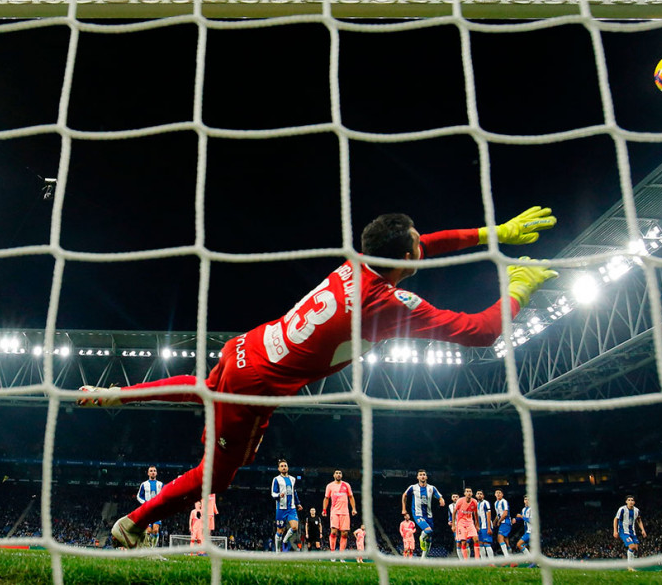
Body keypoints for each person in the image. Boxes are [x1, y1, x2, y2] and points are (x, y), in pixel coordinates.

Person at [77, 207, 557, 549]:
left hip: (248, 345)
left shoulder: (358, 263)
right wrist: (517, 288)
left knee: (205, 390)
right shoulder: (387, 304)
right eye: (417, 244)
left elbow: (427, 244)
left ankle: (118, 394)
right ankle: (132, 524)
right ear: (406, 258)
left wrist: (493, 232)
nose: (423, 246)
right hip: (257, 385)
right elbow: (481, 331)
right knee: (215, 477)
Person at [401, 469, 445, 558]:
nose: (422, 476)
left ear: (426, 477)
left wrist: (441, 500)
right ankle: (421, 537)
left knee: (429, 539)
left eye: (424, 474)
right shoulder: (413, 487)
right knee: (428, 530)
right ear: (417, 477)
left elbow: (439, 496)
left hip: (429, 515)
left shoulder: (431, 488)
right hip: (418, 514)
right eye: (420, 475)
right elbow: (404, 495)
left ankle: (423, 559)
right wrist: (404, 509)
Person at [323, 469, 357, 554]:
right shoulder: (330, 486)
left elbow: (351, 497)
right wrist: (324, 510)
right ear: (334, 475)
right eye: (336, 473)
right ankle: (332, 552)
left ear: (341, 475)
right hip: (334, 511)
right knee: (334, 532)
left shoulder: (346, 485)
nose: (338, 474)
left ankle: (341, 554)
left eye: (340, 473)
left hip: (345, 512)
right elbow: (326, 498)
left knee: (344, 533)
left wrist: (353, 508)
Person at [271, 459, 302, 552]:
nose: (284, 467)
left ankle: (285, 540)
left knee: (295, 527)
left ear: (288, 467)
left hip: (291, 508)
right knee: (280, 531)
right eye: (282, 466)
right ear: (279, 469)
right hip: (281, 508)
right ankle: (277, 552)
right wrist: (279, 495)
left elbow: (294, 492)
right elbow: (273, 493)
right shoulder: (276, 479)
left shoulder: (292, 479)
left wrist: (298, 503)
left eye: (285, 466)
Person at [613, 495, 646, 568]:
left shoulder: (636, 510)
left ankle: (632, 565)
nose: (630, 501)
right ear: (626, 501)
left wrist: (643, 530)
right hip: (623, 531)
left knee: (636, 548)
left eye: (632, 500)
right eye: (629, 500)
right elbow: (615, 519)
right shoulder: (622, 509)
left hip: (632, 532)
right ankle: (630, 566)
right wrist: (615, 531)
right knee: (632, 546)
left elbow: (639, 520)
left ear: (634, 502)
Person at [136, 466, 164, 547]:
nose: (153, 472)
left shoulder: (160, 484)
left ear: (156, 473)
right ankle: (147, 547)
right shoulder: (144, 484)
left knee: (155, 530)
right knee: (148, 531)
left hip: (157, 511)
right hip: (147, 510)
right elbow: (139, 496)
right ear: (148, 473)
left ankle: (153, 548)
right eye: (151, 471)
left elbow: (165, 495)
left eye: (154, 471)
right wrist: (144, 503)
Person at [453, 488, 480, 559]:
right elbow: (454, 512)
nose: (469, 493)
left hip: (470, 522)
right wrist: (453, 525)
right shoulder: (460, 501)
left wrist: (477, 524)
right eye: (467, 491)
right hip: (461, 523)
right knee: (463, 542)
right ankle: (465, 560)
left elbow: (475, 513)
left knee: (476, 539)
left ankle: (477, 560)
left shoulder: (474, 502)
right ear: (464, 493)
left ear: (472, 493)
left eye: (470, 491)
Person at [475, 490, 495, 559]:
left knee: (487, 543)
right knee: (480, 544)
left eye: (481, 494)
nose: (479, 495)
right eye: (478, 494)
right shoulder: (475, 504)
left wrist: (489, 528)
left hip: (486, 526)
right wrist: (476, 526)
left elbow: (488, 515)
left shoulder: (486, 503)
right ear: (476, 495)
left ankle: (492, 561)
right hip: (479, 527)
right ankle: (484, 562)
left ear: (483, 496)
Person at [493, 488, 513, 555]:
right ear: (495, 494)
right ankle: (510, 553)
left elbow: (505, 513)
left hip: (506, 522)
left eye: (500, 493)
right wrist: (494, 521)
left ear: (502, 494)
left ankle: (506, 556)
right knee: (505, 539)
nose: (498, 494)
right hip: (502, 522)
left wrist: (499, 521)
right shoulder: (496, 503)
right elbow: (498, 514)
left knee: (500, 538)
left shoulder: (504, 501)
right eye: (497, 493)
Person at [448, 492, 460, 557]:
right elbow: (449, 514)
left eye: (456, 497)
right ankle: (457, 555)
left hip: (462, 523)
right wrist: (450, 521)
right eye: (453, 497)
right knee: (457, 539)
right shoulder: (450, 506)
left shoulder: (461, 504)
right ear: (451, 498)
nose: (455, 498)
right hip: (455, 525)